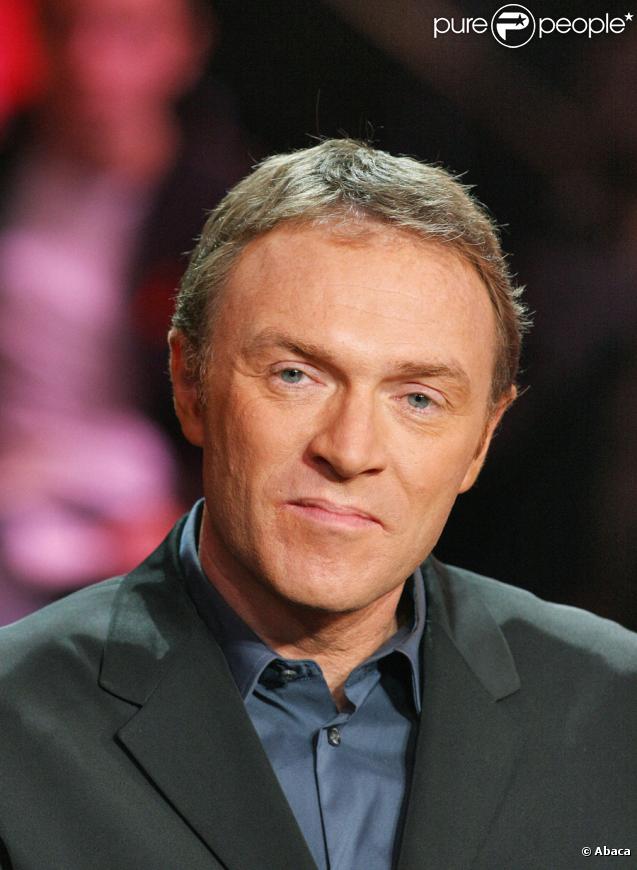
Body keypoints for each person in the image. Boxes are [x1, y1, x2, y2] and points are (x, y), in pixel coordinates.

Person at [0, 139, 635, 870]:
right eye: (296, 375)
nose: (349, 449)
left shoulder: (617, 712)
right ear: (190, 384)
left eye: (417, 399)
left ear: (480, 443)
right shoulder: (14, 724)